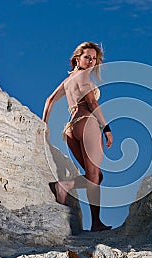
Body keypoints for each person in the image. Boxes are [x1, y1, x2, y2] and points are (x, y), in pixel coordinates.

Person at [42, 41, 113, 232]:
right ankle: (95, 222)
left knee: (96, 176)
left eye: (93, 59)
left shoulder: (68, 81)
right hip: (88, 123)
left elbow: (49, 100)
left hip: (71, 129)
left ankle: (66, 186)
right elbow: (91, 103)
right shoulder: (84, 79)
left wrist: (44, 125)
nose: (90, 61)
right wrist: (107, 128)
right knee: (94, 175)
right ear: (77, 59)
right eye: (87, 57)